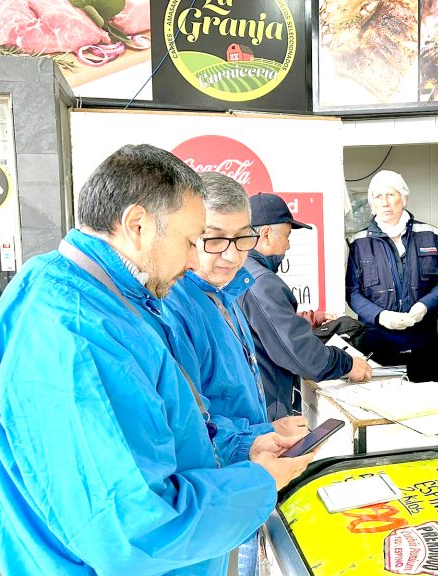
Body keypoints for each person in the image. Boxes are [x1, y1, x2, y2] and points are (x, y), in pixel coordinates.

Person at [0, 144, 313, 576]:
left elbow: (169, 431)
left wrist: (244, 445)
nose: (195, 259)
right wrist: (258, 482)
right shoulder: (76, 333)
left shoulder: (99, 294)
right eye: (190, 241)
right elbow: (134, 531)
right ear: (137, 225)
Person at [164, 172, 310, 575]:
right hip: (216, 492)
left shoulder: (228, 292)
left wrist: (268, 428)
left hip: (248, 478)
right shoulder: (175, 307)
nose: (230, 255)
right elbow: (189, 423)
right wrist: (250, 440)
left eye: (242, 238)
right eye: (213, 239)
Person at [239, 193, 372, 420]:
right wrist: (348, 364)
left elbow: (265, 328)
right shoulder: (262, 282)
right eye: (287, 236)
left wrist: (307, 319)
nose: (288, 245)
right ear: (266, 234)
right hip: (266, 409)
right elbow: (302, 354)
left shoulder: (240, 271)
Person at [346, 170, 438, 383]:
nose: (385, 202)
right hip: (378, 344)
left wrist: (424, 306)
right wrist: (380, 315)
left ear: (403, 198)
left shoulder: (427, 234)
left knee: (426, 401)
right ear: (372, 204)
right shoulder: (360, 243)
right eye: (378, 197)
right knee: (383, 401)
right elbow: (352, 292)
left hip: (422, 343)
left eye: (391, 195)